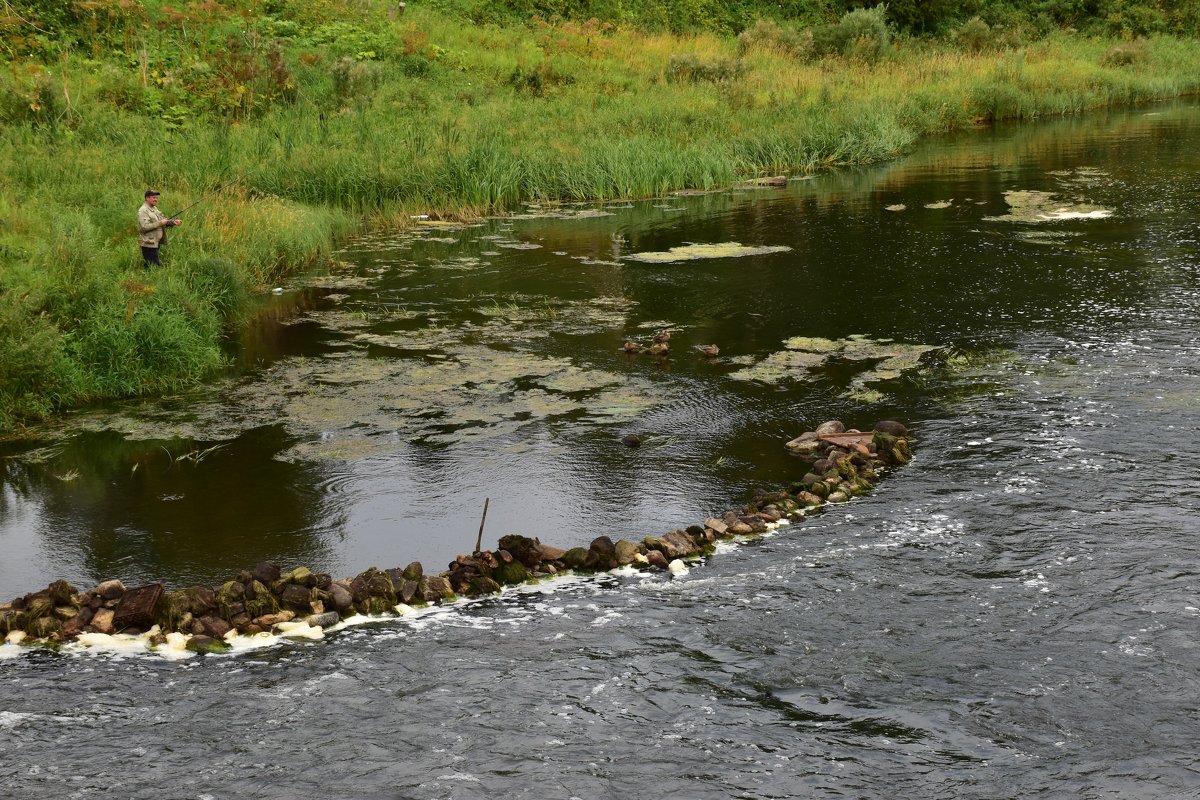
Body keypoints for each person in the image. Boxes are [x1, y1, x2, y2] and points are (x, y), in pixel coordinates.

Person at [137, 189, 180, 267]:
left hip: (155, 242)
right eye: (153, 197)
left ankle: (145, 276)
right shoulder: (143, 211)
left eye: (156, 198)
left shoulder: (154, 209)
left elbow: (162, 220)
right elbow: (144, 227)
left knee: (150, 265)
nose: (156, 199)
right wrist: (160, 223)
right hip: (148, 244)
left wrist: (172, 222)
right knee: (155, 266)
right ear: (147, 198)